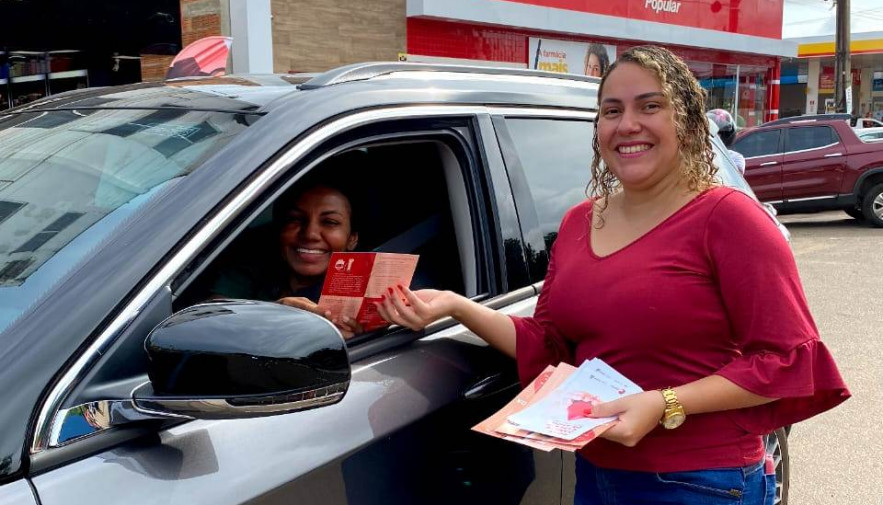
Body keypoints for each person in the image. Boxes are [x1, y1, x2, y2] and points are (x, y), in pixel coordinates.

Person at [375, 45, 849, 504]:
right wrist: (456, 306)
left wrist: (665, 404)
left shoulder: (729, 219)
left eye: (650, 106)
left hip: (700, 482)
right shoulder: (580, 221)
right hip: (598, 472)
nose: (628, 125)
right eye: (611, 110)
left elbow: (787, 360)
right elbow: (550, 343)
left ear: (685, 121)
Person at [210, 155, 365, 336]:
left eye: (329, 222)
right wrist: (273, 313)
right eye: (295, 219)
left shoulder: (369, 296)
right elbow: (206, 317)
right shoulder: (256, 269)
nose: (310, 234)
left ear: (352, 238)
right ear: (279, 228)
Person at [706, 108, 746, 174]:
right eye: (709, 134)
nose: (711, 137)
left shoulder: (735, 157)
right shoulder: (698, 155)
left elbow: (734, 177)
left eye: (717, 135)